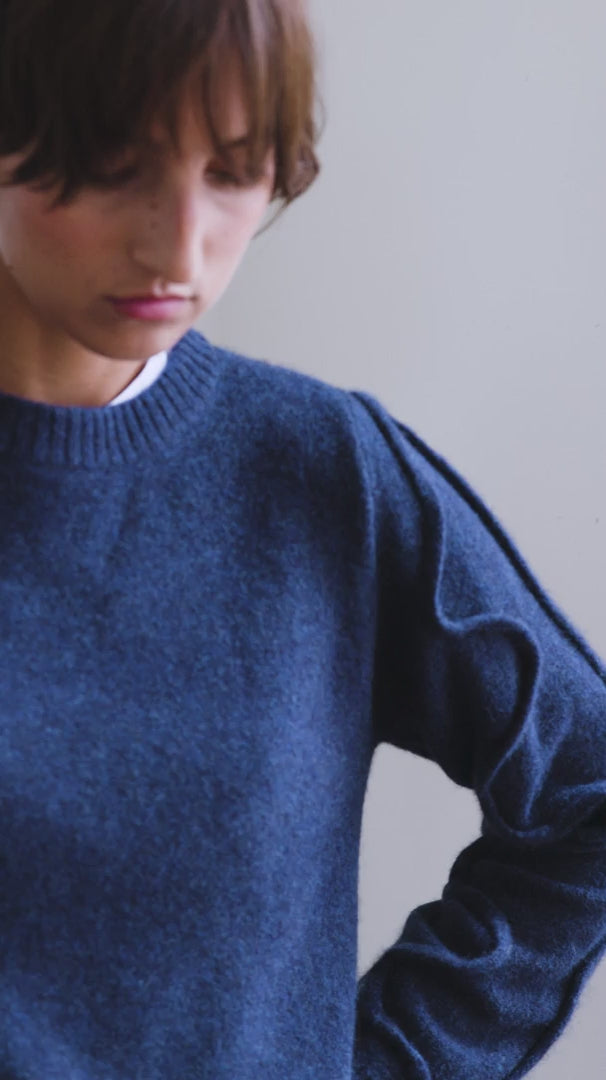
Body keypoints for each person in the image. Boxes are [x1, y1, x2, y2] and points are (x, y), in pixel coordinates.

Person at [0, 1, 604, 1078]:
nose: (178, 245)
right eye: (112, 162)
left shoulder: (325, 476)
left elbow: (588, 791)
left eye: (233, 172)